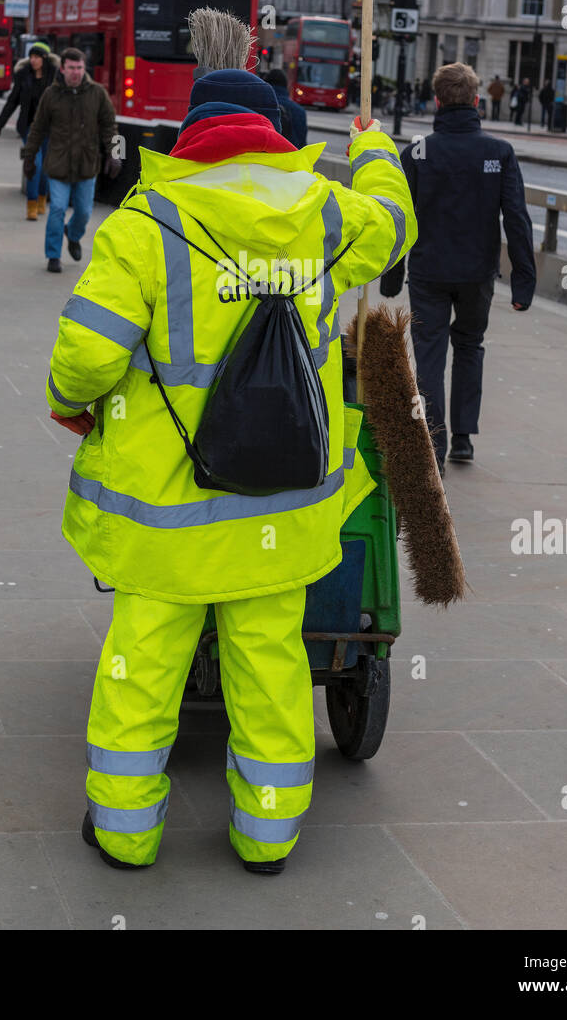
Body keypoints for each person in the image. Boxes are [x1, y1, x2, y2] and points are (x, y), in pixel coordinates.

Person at [43, 66, 415, 872]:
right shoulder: (323, 214)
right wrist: (375, 147)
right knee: (270, 666)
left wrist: (68, 403)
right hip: (279, 511)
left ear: (191, 135)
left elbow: (83, 359)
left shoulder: (145, 223)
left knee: (139, 667)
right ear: (271, 134)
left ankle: (125, 834)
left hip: (163, 513)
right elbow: (392, 221)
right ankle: (265, 836)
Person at [380, 61, 535, 474]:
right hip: (477, 273)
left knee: (429, 356)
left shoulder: (416, 153)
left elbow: (401, 218)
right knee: (469, 345)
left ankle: (435, 441)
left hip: (429, 272)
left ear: (436, 100)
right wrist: (523, 282)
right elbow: (516, 218)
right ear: (476, 100)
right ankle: (464, 439)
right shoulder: (499, 153)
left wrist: (392, 278)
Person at [22, 48, 119, 273]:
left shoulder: (97, 93)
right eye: (72, 68)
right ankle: (53, 255)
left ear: (84, 69)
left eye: (80, 68)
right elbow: (37, 128)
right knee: (56, 208)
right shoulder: (51, 95)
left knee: (84, 211)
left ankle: (73, 235)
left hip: (87, 164)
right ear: (63, 68)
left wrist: (116, 154)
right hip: (58, 164)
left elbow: (111, 126)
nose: (76, 72)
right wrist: (29, 158)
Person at [0, 42, 60, 219]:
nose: (33, 60)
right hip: (29, 128)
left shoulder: (56, 76)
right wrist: (0, 124)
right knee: (34, 164)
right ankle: (31, 205)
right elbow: (13, 100)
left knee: (45, 167)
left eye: (37, 57)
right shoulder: (23, 75)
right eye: (31, 57)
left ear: (44, 59)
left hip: (51, 129)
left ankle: (41, 199)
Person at [262, 68, 308, 148]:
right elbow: (302, 142)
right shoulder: (300, 111)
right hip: (290, 157)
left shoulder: (262, 105)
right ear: (286, 85)